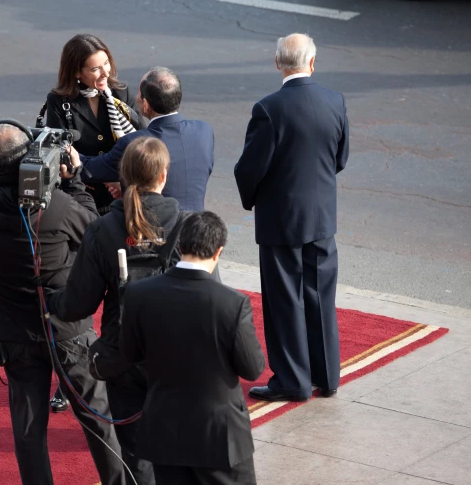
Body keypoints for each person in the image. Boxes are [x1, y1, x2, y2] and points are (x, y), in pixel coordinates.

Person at [0, 123, 126, 485]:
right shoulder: (58, 208)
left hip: (14, 335)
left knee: (29, 429)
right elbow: (94, 229)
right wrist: (74, 178)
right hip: (68, 331)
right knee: (96, 419)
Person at [49, 137, 187, 485]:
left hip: (124, 355)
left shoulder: (103, 229)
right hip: (176, 357)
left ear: (121, 176)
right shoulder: (187, 225)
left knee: (137, 455)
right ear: (164, 175)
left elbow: (77, 305)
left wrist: (48, 297)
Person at [234, 33, 349, 402]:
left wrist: (251, 199)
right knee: (320, 298)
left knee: (285, 301)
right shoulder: (335, 101)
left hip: (282, 222)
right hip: (322, 221)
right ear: (312, 62)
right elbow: (339, 159)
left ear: (278, 63)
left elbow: (250, 169)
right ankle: (327, 376)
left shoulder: (268, 109)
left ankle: (292, 380)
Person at [120, 211, 265, 485]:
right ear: (218, 252)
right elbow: (253, 367)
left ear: (180, 245)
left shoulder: (139, 294)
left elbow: (129, 355)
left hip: (165, 431)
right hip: (220, 438)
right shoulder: (232, 304)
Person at [80, 67, 214, 212]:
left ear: (145, 104)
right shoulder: (204, 131)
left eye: (138, 93)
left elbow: (90, 169)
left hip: (151, 230)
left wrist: (66, 151)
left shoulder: (135, 143)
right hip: (196, 227)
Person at [45, 33, 146, 215]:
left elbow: (142, 141)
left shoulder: (120, 93)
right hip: (82, 198)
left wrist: (122, 181)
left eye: (106, 63)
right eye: (95, 69)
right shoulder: (58, 101)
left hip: (124, 197)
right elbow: (61, 152)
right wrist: (107, 178)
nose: (106, 73)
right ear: (77, 72)